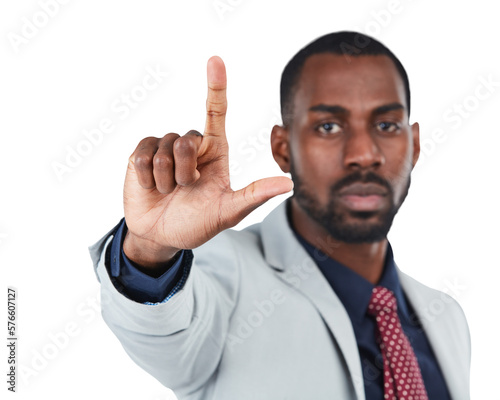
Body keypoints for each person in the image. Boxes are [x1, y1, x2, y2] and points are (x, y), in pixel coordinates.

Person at [89, 31, 470, 400]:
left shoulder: (446, 317)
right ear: (282, 148)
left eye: (386, 125)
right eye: (329, 126)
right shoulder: (223, 273)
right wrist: (150, 249)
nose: (363, 154)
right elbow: (163, 335)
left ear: (414, 144)